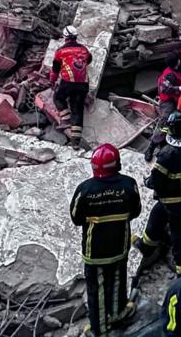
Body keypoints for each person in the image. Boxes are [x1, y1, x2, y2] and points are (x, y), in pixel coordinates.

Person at [70, 144, 142, 337]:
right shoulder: (129, 184)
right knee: (118, 279)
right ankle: (118, 313)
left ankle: (99, 329)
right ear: (117, 164)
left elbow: (76, 218)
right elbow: (135, 211)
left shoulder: (85, 190)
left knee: (97, 290)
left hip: (95, 251)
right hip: (120, 244)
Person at [137, 112, 181, 275]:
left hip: (174, 203)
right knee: (156, 217)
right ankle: (146, 246)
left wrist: (147, 181)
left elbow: (156, 181)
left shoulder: (166, 155)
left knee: (179, 235)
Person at [50, 26, 93, 147]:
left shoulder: (60, 52)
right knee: (78, 110)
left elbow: (55, 70)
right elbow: (89, 60)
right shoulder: (84, 49)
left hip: (67, 82)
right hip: (83, 84)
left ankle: (65, 119)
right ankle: (75, 142)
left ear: (65, 37)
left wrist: (52, 81)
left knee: (58, 98)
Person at [148, 55, 181, 161]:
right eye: (178, 60)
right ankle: (152, 147)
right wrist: (178, 88)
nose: (180, 61)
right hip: (168, 102)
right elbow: (165, 89)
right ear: (175, 62)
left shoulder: (175, 71)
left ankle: (169, 141)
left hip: (176, 100)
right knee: (165, 123)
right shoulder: (169, 75)